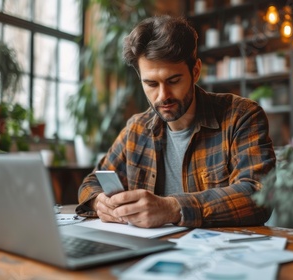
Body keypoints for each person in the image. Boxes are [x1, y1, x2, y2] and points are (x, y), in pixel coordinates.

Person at [75, 15, 276, 228]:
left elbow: (259, 195)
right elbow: (92, 182)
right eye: (151, 84)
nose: (163, 95)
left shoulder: (241, 116)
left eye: (173, 81)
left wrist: (172, 208)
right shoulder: (136, 128)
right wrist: (99, 202)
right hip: (147, 251)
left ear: (195, 71)